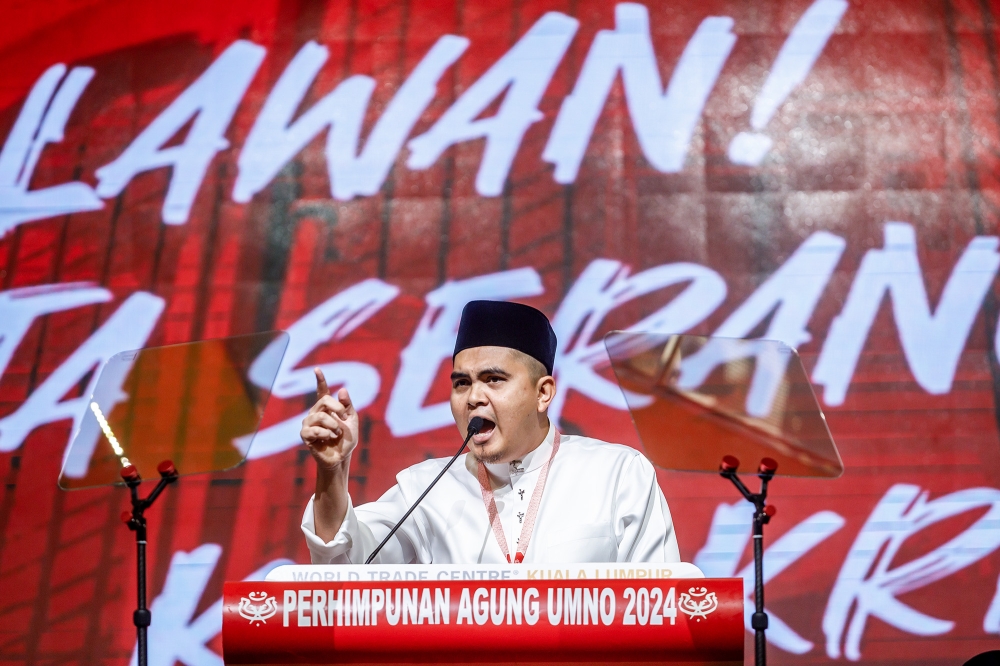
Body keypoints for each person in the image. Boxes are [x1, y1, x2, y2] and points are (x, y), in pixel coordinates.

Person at [299, 300, 680, 564]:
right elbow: (345, 564)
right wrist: (332, 472)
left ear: (543, 393)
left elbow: (663, 609)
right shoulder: (424, 488)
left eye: (494, 380)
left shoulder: (617, 474)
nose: (473, 398)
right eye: (461, 383)